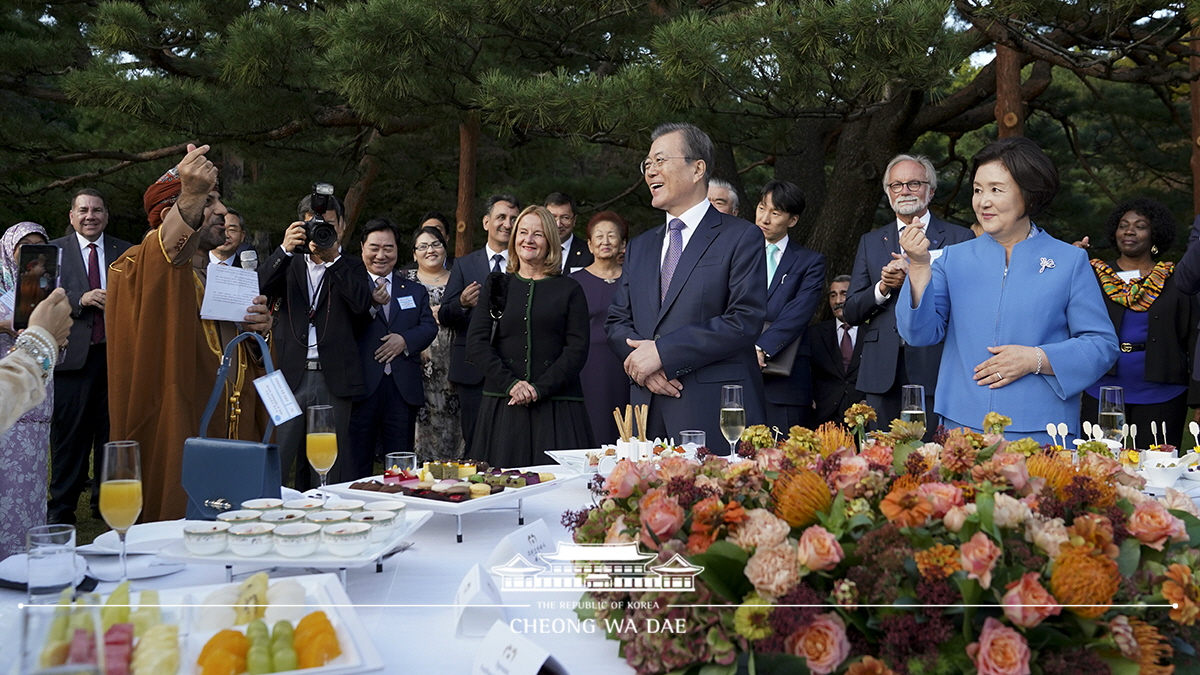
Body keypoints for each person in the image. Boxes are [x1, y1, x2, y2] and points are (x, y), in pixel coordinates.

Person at [896, 137, 1119, 442]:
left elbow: (1101, 345)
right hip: (962, 428)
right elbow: (919, 333)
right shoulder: (953, 258)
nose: (983, 201)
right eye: (977, 190)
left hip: (1044, 430)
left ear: (1028, 194)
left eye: (996, 190)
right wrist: (920, 266)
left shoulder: (1070, 261)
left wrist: (1035, 358)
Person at [107, 144, 273, 521]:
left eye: (218, 202)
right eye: (209, 202)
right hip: (179, 431)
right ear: (171, 214)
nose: (221, 212)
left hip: (231, 434)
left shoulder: (216, 279)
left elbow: (234, 356)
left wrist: (260, 330)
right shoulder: (136, 264)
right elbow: (164, 254)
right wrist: (191, 195)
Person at [606, 122, 767, 449]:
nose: (651, 170)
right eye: (647, 163)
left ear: (697, 169)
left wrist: (663, 353)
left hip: (711, 411)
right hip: (645, 410)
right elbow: (616, 321)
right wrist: (644, 366)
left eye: (661, 160)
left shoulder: (740, 236)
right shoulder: (640, 246)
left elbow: (744, 319)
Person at [842, 153, 974, 431]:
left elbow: (968, 307)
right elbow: (851, 311)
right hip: (881, 370)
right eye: (896, 185)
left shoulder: (959, 238)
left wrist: (918, 274)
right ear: (887, 192)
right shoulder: (871, 241)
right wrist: (883, 287)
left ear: (931, 190)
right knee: (878, 462)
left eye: (914, 183)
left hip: (935, 365)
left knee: (933, 460)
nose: (904, 191)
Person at [260, 189, 374, 489]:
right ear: (301, 226)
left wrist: (333, 261)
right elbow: (257, 289)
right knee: (278, 459)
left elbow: (362, 306)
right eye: (314, 223)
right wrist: (284, 250)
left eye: (331, 224)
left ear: (342, 226)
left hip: (333, 378)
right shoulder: (288, 263)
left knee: (327, 468)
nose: (322, 230)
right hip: (289, 376)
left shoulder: (350, 265)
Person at [467, 206, 593, 466]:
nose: (529, 239)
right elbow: (477, 344)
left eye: (538, 234)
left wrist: (538, 389)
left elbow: (577, 350)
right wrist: (512, 384)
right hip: (504, 406)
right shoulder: (497, 285)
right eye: (522, 232)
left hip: (558, 408)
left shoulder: (570, 289)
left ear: (550, 240)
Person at [1080, 199, 1197, 448]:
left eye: (1140, 226)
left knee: (1156, 469)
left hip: (1162, 394)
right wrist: (1068, 261)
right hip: (1102, 392)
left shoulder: (1176, 280)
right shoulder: (1091, 276)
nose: (1129, 230)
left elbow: (1194, 341)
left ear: (1155, 234)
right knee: (1100, 470)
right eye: (1123, 225)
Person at [48, 190, 132, 525]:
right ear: (71, 216)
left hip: (115, 358)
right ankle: (61, 509)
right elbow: (38, 299)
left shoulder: (125, 252)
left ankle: (105, 505)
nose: (90, 216)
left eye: (97, 210)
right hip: (71, 360)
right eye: (83, 210)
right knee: (70, 438)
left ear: (106, 216)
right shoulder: (53, 251)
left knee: (111, 433)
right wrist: (78, 298)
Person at [0, 223, 71, 558]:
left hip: (37, 411)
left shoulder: (49, 294)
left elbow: (59, 347)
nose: (32, 253)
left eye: (39, 246)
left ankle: (25, 560)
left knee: (30, 492)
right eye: (24, 245)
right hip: (6, 403)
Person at [348, 218, 437, 478]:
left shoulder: (413, 289)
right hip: (362, 386)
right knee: (357, 461)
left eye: (388, 248)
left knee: (401, 465)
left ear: (398, 250)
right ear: (362, 247)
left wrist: (404, 341)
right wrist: (371, 305)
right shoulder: (350, 286)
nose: (381, 255)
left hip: (402, 388)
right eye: (374, 247)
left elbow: (428, 326)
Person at [439, 194, 521, 458]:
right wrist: (462, 303)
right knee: (475, 440)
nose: (507, 224)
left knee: (509, 440)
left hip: (513, 367)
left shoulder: (525, 265)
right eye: (501, 217)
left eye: (513, 219)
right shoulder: (464, 264)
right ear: (486, 222)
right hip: (472, 370)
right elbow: (444, 313)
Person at [753, 180, 826, 431]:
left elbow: (799, 311)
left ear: (792, 220)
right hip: (736, 372)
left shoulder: (810, 262)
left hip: (786, 380)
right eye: (762, 208)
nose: (765, 218)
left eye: (775, 213)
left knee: (784, 463)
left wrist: (762, 347)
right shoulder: (736, 254)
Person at [405, 225, 465, 461]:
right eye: (423, 246)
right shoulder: (404, 280)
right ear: (414, 254)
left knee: (455, 419)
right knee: (423, 417)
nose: (430, 250)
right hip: (418, 363)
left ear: (445, 248)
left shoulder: (459, 278)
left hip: (454, 361)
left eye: (436, 244)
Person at [571, 211, 631, 442]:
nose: (605, 241)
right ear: (589, 244)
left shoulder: (634, 279)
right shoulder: (574, 282)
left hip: (625, 364)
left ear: (623, 243)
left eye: (612, 236)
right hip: (587, 366)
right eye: (599, 236)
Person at [807, 275, 865, 426]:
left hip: (863, 418)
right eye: (833, 295)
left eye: (844, 294)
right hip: (823, 416)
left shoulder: (872, 332)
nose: (838, 301)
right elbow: (803, 370)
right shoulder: (814, 334)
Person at [545, 192, 593, 272]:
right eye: (552, 217)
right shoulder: (535, 249)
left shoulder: (589, 253)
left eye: (565, 218)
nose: (558, 224)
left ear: (574, 220)